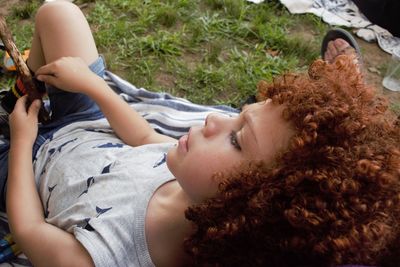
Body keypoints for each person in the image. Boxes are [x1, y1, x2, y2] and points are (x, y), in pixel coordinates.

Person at [0, 1, 399, 266]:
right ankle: (24, 88)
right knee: (59, 12)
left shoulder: (110, 256)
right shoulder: (192, 177)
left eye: (236, 138)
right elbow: (141, 138)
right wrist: (93, 87)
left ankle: (16, 109)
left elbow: (29, 229)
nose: (214, 119)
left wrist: (21, 139)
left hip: (27, 168)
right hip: (81, 124)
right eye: (239, 115)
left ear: (252, 209)